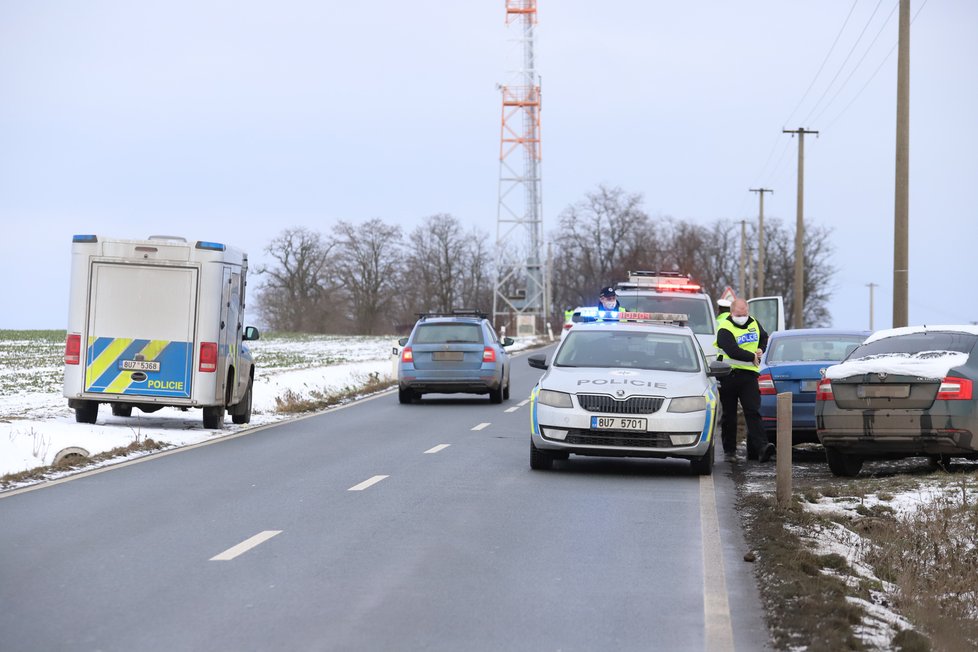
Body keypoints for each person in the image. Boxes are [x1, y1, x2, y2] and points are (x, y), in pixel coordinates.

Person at [716, 298, 773, 462]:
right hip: (728, 375)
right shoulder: (725, 327)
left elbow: (764, 337)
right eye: (739, 314)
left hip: (748, 376)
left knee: (753, 411)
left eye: (745, 313)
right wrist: (752, 356)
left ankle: (762, 448)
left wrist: (761, 348)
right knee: (730, 415)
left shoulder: (754, 322)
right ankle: (729, 451)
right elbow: (732, 350)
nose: (742, 316)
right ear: (732, 312)